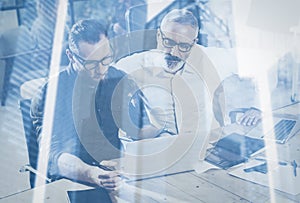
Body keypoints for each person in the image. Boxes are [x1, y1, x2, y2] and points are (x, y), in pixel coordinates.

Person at [30, 19, 156, 190]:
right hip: (73, 180)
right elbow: (54, 156)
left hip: (116, 174)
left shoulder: (119, 79)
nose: (101, 69)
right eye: (90, 64)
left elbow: (138, 129)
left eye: (106, 59)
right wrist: (92, 173)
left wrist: (159, 129)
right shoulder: (51, 94)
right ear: (71, 56)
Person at [114, 9, 214, 140]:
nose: (174, 53)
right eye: (168, 42)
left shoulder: (208, 62)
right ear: (158, 36)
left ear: (194, 43)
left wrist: (250, 110)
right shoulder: (131, 66)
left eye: (184, 46)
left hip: (202, 146)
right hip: (159, 146)